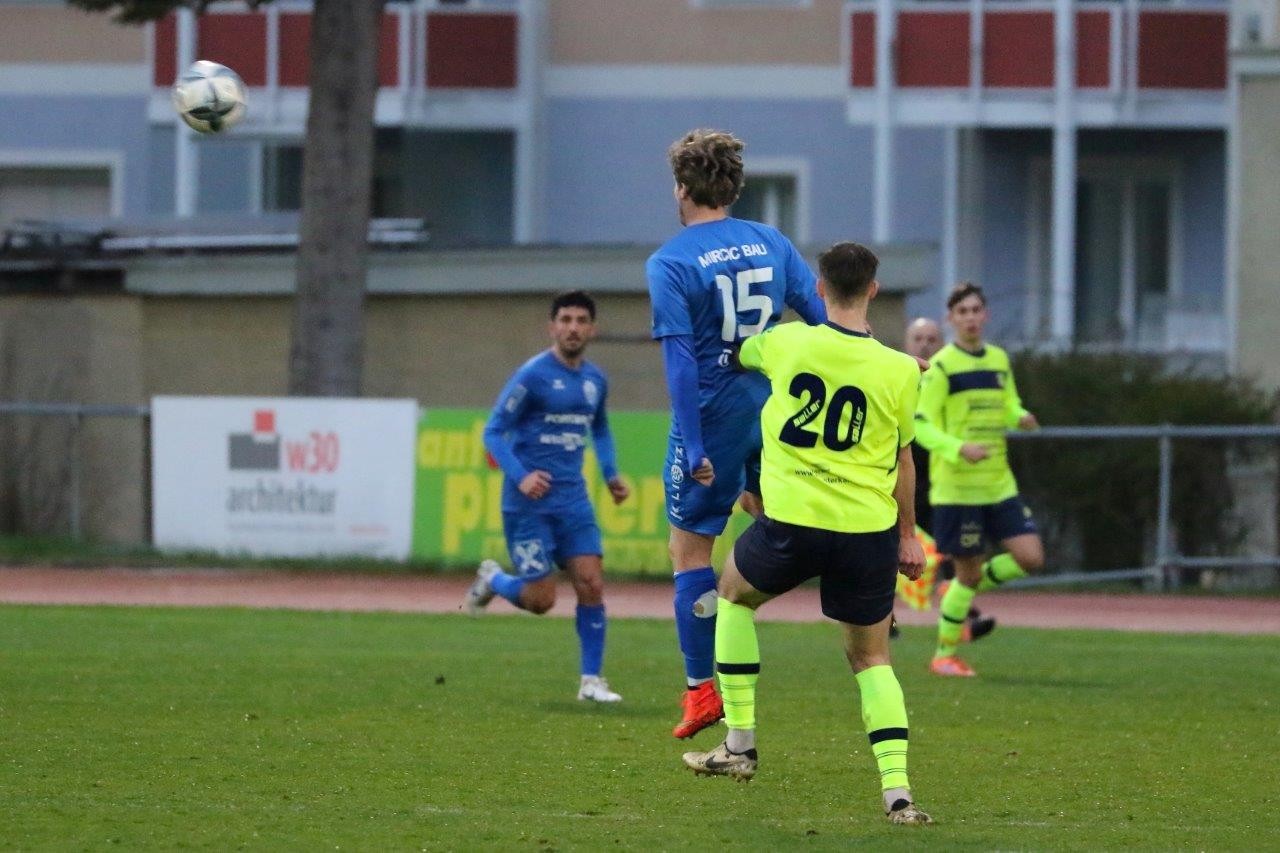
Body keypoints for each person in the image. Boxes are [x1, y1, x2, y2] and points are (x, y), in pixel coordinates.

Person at [680, 242, 932, 826]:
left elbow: (739, 353)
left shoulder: (788, 342)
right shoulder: (900, 369)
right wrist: (908, 536)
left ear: (818, 289)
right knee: (872, 658)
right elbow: (904, 460)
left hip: (794, 521)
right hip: (866, 530)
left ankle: (739, 745)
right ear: (873, 289)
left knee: (733, 596)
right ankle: (898, 795)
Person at [647, 129, 827, 739]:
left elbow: (680, 360)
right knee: (766, 509)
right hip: (771, 409)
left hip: (713, 415)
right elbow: (822, 321)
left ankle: (702, 691)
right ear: (733, 185)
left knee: (688, 551)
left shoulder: (671, 261)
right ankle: (851, 580)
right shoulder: (771, 241)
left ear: (682, 187)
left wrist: (695, 444)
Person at [464, 290, 631, 703]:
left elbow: (600, 428)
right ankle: (493, 579)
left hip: (573, 500)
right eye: (565, 320)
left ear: (592, 329)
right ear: (552, 327)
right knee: (541, 600)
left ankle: (591, 681)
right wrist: (521, 476)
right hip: (528, 505)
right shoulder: (532, 376)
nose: (573, 328)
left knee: (591, 583)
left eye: (581, 321)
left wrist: (610, 474)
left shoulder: (595, 380)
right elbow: (493, 432)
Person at [915, 282, 1045, 677]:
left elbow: (1008, 404)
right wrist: (958, 448)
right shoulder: (942, 366)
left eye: (976, 310)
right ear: (951, 319)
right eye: (963, 312)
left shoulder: (999, 359)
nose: (970, 318)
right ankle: (944, 655)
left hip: (998, 484)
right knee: (968, 574)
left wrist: (1020, 417)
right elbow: (921, 425)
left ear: (985, 315)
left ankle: (954, 590)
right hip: (958, 490)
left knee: (1030, 558)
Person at [901, 317, 996, 643]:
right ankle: (883, 619)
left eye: (931, 338)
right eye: (918, 338)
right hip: (901, 479)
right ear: (907, 343)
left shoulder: (948, 378)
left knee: (952, 552)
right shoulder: (895, 376)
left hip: (942, 480)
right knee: (884, 547)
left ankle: (962, 619)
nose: (925, 344)